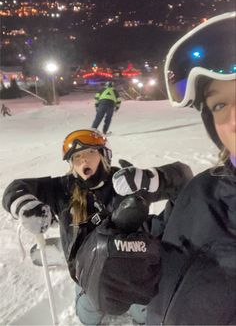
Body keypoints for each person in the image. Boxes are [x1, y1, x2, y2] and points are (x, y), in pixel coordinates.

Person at [112, 11, 236, 325]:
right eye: (219, 105)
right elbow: (151, 247)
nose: (234, 120)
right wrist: (113, 255)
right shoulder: (204, 190)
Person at [2, 128, 192, 325]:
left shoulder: (126, 182)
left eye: (90, 153)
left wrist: (152, 178)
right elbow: (16, 188)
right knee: (88, 317)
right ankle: (68, 248)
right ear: (71, 165)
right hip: (87, 273)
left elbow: (185, 179)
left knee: (145, 315)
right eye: (77, 157)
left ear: (103, 155)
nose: (83, 160)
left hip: (131, 268)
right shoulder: (63, 188)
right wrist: (25, 206)